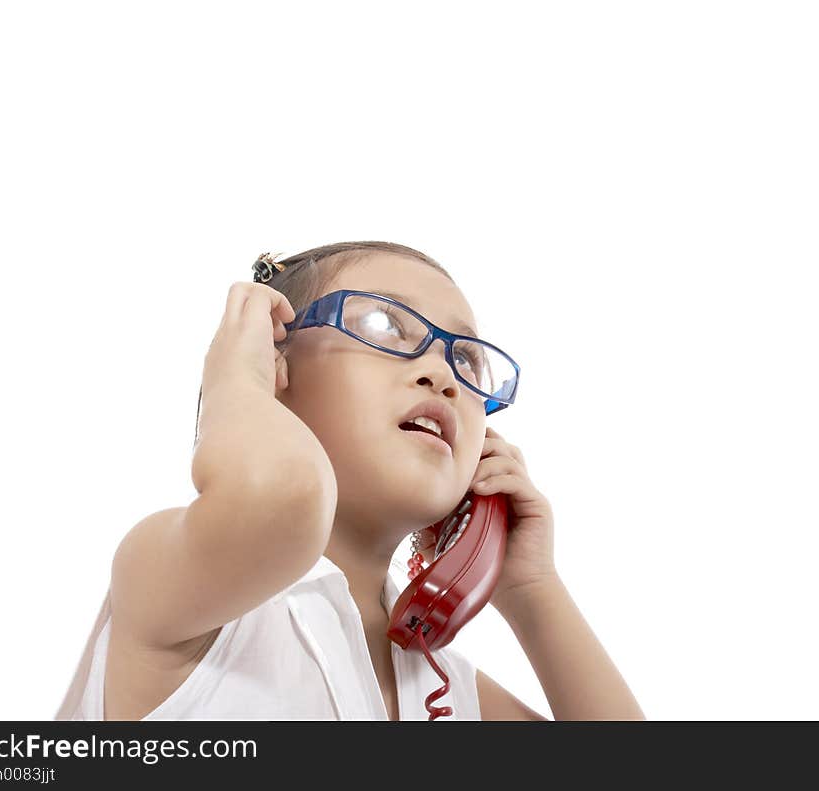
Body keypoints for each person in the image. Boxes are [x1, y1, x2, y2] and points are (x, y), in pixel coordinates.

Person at [54, 240, 645, 721]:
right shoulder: (173, 585)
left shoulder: (442, 687)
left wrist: (530, 588)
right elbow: (281, 497)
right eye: (385, 324)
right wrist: (234, 382)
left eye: (466, 362)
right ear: (275, 363)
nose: (441, 373)